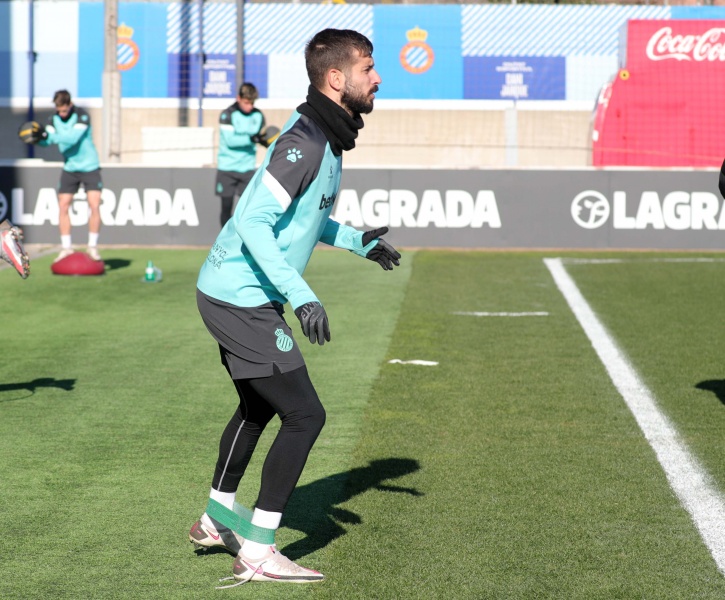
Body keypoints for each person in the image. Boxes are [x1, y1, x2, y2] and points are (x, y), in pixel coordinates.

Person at [189, 28, 400, 586]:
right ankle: (259, 551)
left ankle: (215, 518)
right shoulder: (304, 141)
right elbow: (252, 220)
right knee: (306, 415)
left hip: (233, 292)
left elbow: (306, 216)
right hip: (240, 298)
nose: (377, 78)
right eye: (367, 68)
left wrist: (357, 242)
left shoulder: (326, 137)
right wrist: (302, 295)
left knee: (258, 407)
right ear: (335, 78)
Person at [39, 90, 103, 262]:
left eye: (64, 110)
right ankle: (66, 248)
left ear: (70, 104)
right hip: (70, 168)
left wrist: (49, 136)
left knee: (94, 205)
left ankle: (92, 246)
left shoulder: (82, 116)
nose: (61, 113)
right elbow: (46, 141)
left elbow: (71, 138)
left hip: (90, 167)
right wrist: (38, 138)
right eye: (58, 110)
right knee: (63, 205)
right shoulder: (53, 119)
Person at [214, 83, 264, 227]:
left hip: (247, 169)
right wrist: (251, 139)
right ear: (238, 98)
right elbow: (231, 141)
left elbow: (261, 137)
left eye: (252, 103)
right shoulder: (227, 114)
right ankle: (224, 239)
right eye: (246, 102)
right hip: (227, 168)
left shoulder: (258, 115)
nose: (250, 107)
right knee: (226, 207)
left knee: (247, 210)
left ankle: (243, 238)